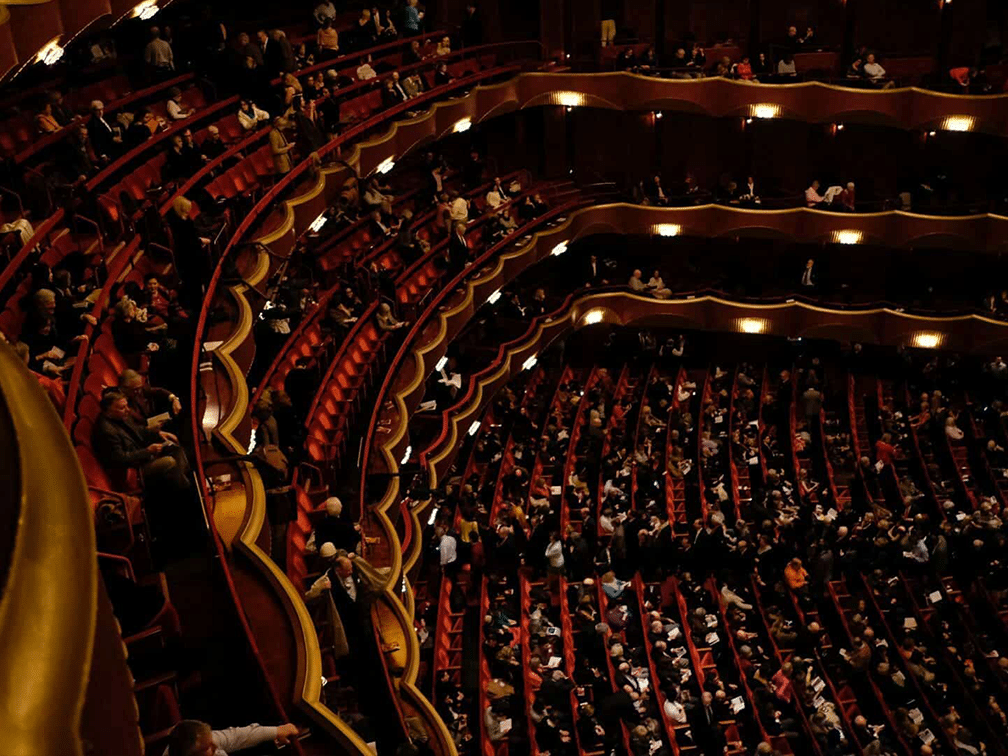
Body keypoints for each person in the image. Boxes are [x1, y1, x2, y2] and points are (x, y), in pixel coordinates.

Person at [92, 391, 190, 492]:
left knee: (175, 449)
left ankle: (185, 485)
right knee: (169, 462)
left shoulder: (121, 416)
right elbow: (120, 459)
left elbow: (138, 430)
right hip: (134, 469)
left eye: (126, 406)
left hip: (141, 453)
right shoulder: (106, 431)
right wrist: (148, 451)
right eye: (122, 408)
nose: (128, 410)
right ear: (108, 411)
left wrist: (158, 433)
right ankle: (186, 490)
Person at [165, 719, 299, 756]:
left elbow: (237, 736)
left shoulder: (197, 740)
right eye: (208, 748)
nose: (215, 746)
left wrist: (277, 731)